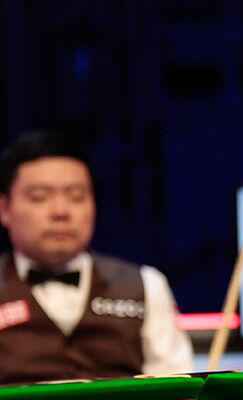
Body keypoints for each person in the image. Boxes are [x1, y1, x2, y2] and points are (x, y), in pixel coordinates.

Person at [0, 131, 193, 384]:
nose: (61, 211)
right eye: (40, 197)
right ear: (5, 209)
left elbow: (177, 388)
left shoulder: (146, 284)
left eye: (77, 196)